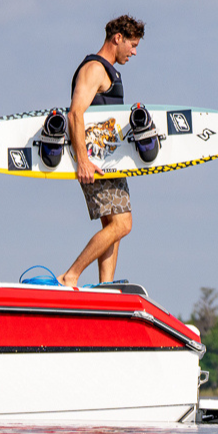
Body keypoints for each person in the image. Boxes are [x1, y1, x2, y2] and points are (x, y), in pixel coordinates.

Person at [61, 15, 144, 287]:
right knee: (123, 224)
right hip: (95, 160)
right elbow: (75, 114)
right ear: (117, 38)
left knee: (113, 226)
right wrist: (83, 160)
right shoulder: (94, 69)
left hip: (109, 160)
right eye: (132, 45)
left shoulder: (108, 72)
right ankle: (71, 275)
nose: (134, 52)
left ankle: (104, 287)